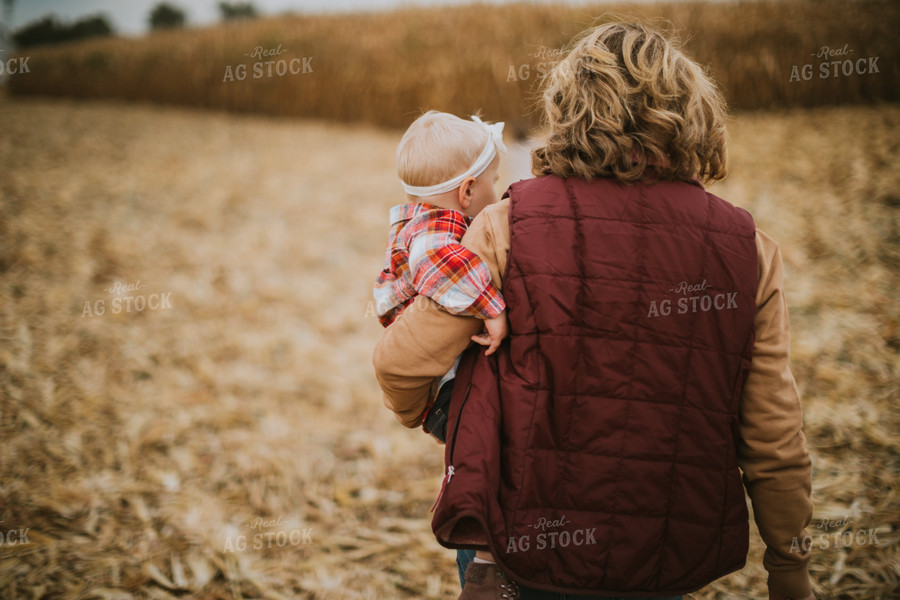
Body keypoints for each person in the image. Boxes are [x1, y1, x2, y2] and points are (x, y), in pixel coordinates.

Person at [373, 21, 815, 600]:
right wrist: (791, 569)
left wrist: (437, 417)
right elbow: (774, 436)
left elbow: (400, 365)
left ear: (570, 110)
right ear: (692, 115)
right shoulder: (746, 248)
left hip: (516, 549)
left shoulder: (506, 226)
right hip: (661, 558)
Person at [374, 110, 510, 440]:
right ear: (467, 191)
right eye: (494, 181)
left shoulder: (424, 222)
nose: (498, 189)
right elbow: (440, 266)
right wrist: (493, 309)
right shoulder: (435, 229)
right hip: (443, 391)